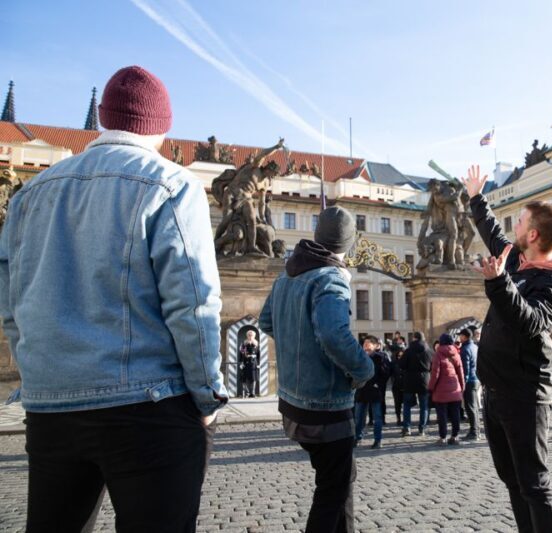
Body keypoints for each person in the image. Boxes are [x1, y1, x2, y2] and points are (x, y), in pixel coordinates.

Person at [0, 65, 228, 532]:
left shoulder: (28, 195)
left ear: (103, 118)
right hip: (147, 406)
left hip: (51, 408)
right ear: (163, 127)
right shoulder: (172, 183)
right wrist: (207, 397)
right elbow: (193, 304)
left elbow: (10, 305)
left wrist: (40, 375)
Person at [462, 165, 552, 533]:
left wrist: (499, 283)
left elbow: (531, 323)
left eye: (519, 222)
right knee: (512, 481)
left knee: (534, 484)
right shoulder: (517, 258)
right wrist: (475, 197)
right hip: (496, 390)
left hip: (525, 394)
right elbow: (492, 232)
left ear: (532, 234)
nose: (513, 227)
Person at [260, 205, 374, 533]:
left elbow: (266, 321)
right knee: (332, 490)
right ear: (348, 243)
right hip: (326, 408)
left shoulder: (287, 274)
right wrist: (364, 370)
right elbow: (332, 334)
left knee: (340, 480)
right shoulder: (331, 277)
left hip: (291, 404)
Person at [354, 336, 390, 449]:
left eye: (368, 343)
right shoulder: (359, 356)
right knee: (359, 417)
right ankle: (358, 437)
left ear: (375, 346)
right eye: (364, 343)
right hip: (361, 390)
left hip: (375, 391)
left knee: (377, 417)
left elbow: (386, 373)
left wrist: (378, 384)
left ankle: (378, 440)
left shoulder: (380, 357)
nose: (365, 345)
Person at [429, 334, 465, 446]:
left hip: (441, 391)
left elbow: (435, 374)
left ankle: (443, 438)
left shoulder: (438, 354)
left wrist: (430, 387)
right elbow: (460, 372)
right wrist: (462, 386)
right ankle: (455, 436)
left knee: (442, 415)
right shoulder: (456, 353)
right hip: (455, 388)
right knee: (455, 414)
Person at [399, 331, 433, 437]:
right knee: (424, 406)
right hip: (425, 380)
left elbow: (401, 365)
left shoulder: (408, 350)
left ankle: (407, 428)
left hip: (409, 380)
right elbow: (433, 366)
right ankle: (422, 429)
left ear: (414, 338)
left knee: (407, 405)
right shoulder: (429, 351)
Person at [458, 328, 481, 440]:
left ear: (464, 336)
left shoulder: (465, 349)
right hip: (476, 379)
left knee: (470, 407)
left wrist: (463, 383)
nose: (459, 338)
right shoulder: (475, 347)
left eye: (460, 336)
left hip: (470, 381)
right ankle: (476, 430)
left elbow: (465, 369)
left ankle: (474, 432)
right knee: (474, 406)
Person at [239, 330, 259, 398]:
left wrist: (258, 363)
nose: (250, 336)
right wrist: (241, 362)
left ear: (254, 336)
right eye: (249, 335)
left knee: (253, 378)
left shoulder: (256, 343)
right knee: (244, 378)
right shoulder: (243, 344)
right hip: (245, 362)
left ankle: (252, 393)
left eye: (252, 335)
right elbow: (241, 353)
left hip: (253, 363)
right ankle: (247, 392)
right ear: (247, 336)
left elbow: (258, 354)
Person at [389, 348, 405, 426]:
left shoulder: (407, 363)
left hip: (405, 386)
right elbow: (390, 373)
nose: (400, 357)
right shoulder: (393, 363)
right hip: (396, 386)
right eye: (399, 356)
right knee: (397, 404)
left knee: (406, 404)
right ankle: (398, 418)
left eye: (402, 356)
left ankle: (405, 419)